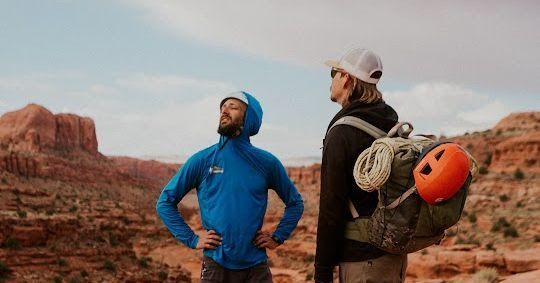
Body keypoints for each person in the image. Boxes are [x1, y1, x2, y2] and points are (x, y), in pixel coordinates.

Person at [156, 91, 304, 283]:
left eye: (233, 107)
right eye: (222, 107)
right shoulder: (202, 159)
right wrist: (192, 239)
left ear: (249, 118)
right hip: (215, 266)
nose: (224, 111)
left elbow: (295, 203)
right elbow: (165, 202)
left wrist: (278, 237)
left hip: (256, 268)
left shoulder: (267, 162)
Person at [314, 48, 407, 283]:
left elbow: (331, 207)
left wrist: (322, 271)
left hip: (362, 261)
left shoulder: (342, 132)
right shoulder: (391, 123)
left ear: (347, 78)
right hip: (393, 256)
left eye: (334, 73)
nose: (332, 79)